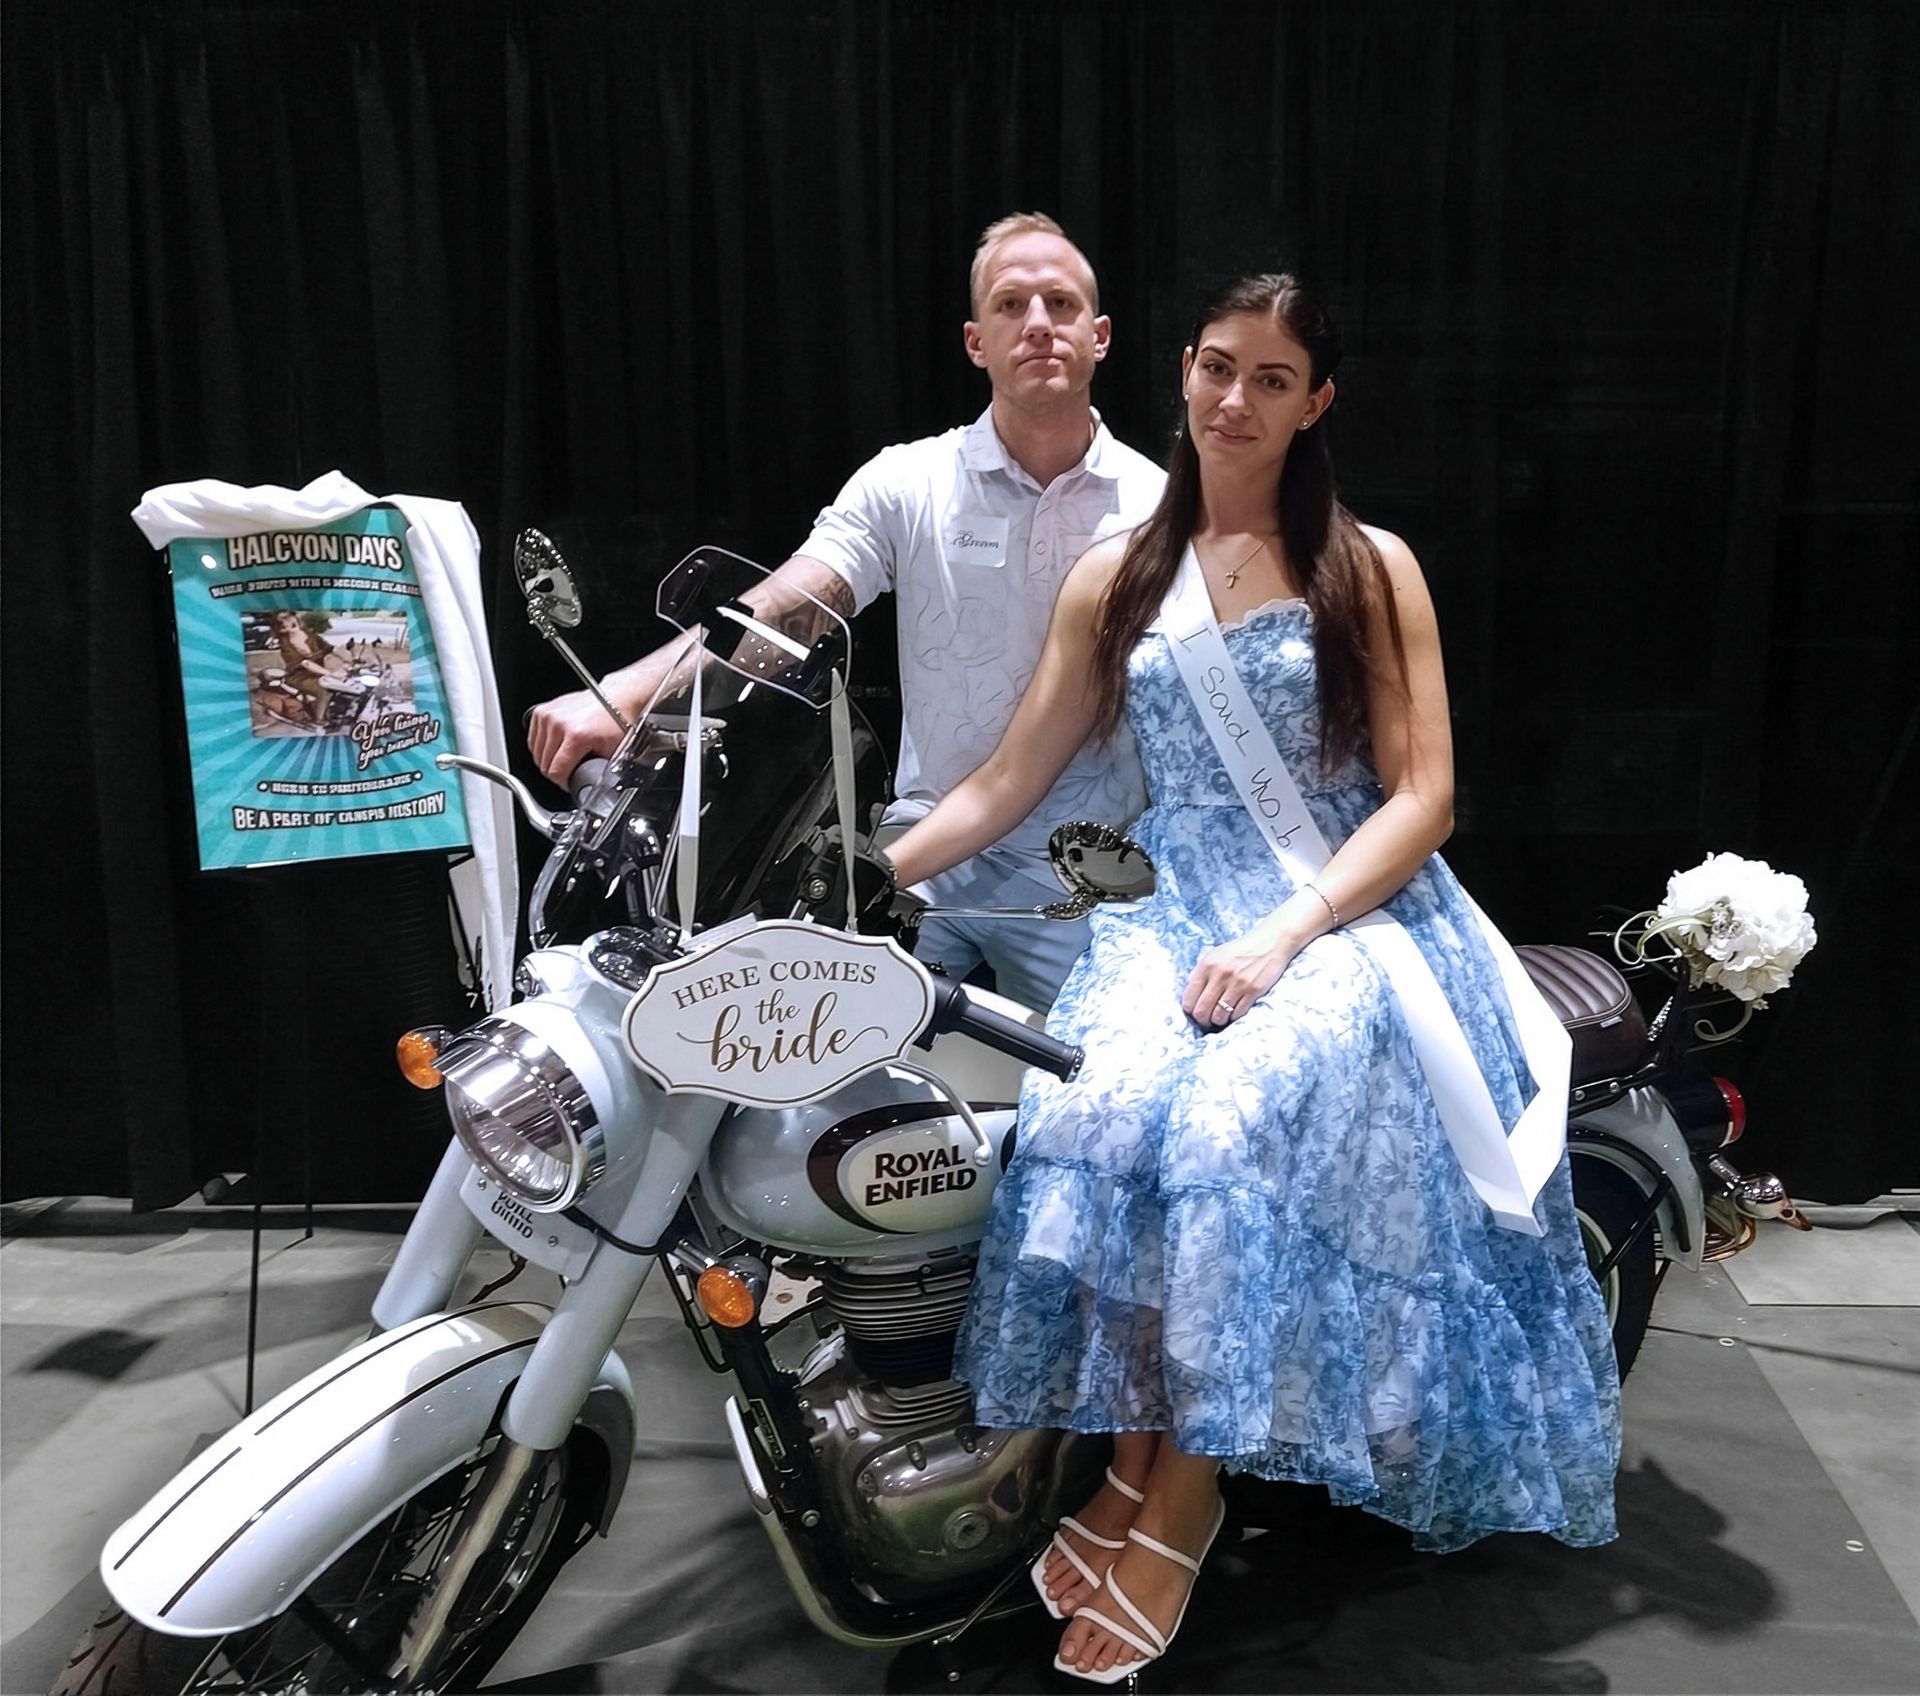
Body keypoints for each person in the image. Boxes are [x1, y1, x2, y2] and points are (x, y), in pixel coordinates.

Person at [881, 272, 1622, 1683]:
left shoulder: (1368, 564)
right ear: (1181, 373)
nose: (1237, 400)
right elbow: (1012, 777)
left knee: (1225, 1129)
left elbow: (1427, 798)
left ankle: (1184, 1494)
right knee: (1097, 1117)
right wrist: (884, 875)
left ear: (1315, 403)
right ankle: (1135, 1448)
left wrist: (1290, 936)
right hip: (1172, 916)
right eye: (1220, 368)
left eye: (1272, 379)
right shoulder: (1122, 575)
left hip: (1348, 917)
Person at [526, 213, 1166, 1011]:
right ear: (975, 341)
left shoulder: (1161, 507)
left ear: (1100, 335)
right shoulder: (910, 481)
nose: (1037, 324)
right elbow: (788, 607)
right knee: (805, 1067)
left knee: (1099, 1092)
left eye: (1061, 304)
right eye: (1010, 306)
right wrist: (626, 696)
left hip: (1084, 865)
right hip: (920, 851)